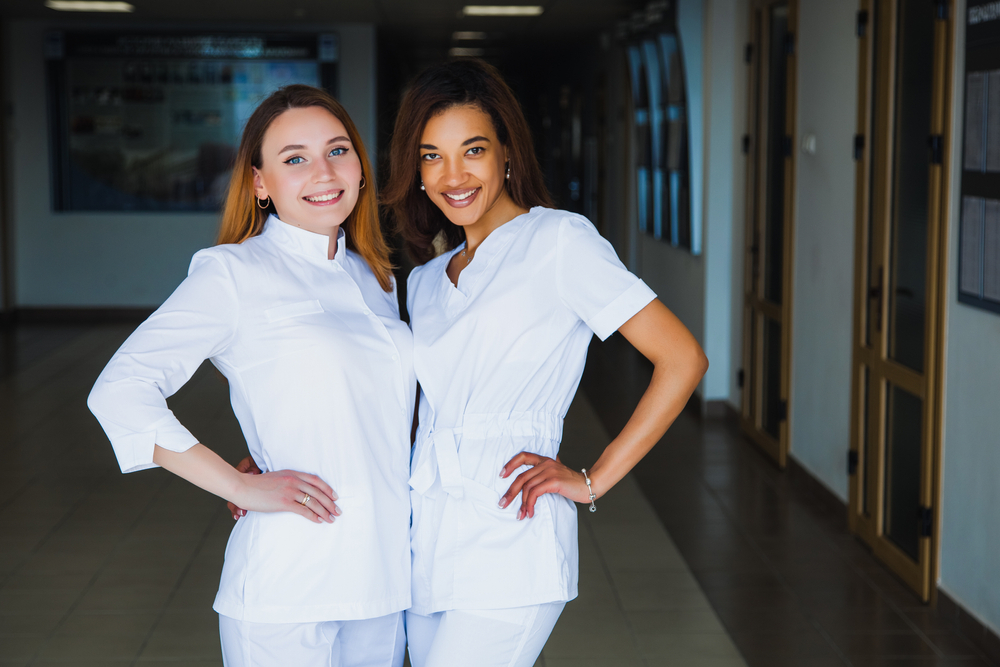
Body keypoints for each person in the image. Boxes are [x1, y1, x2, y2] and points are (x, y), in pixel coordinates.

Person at [379, 59, 709, 667]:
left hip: (510, 534)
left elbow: (682, 358)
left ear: (507, 152)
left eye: (472, 149)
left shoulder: (559, 242)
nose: (454, 175)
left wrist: (593, 480)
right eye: (431, 156)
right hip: (425, 538)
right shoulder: (424, 282)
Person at [87, 84, 414, 667]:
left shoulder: (375, 277)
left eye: (338, 151)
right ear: (260, 182)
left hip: (385, 582)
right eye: (295, 159)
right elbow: (120, 389)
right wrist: (236, 484)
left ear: (361, 168)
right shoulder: (233, 273)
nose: (324, 172)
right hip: (288, 584)